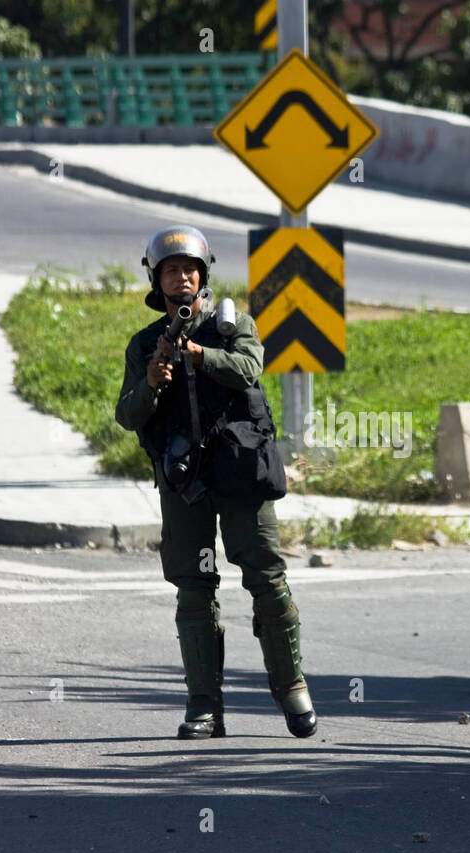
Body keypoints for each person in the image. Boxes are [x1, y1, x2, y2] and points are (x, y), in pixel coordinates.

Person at [114, 225, 317, 740]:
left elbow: (250, 368)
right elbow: (127, 415)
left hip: (239, 473)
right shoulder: (144, 345)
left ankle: (292, 690)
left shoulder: (232, 326)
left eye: (189, 270)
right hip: (185, 483)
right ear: (156, 281)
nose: (181, 278)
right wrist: (153, 380)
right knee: (194, 589)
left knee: (267, 578)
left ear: (203, 276)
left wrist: (201, 356)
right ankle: (205, 706)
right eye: (170, 271)